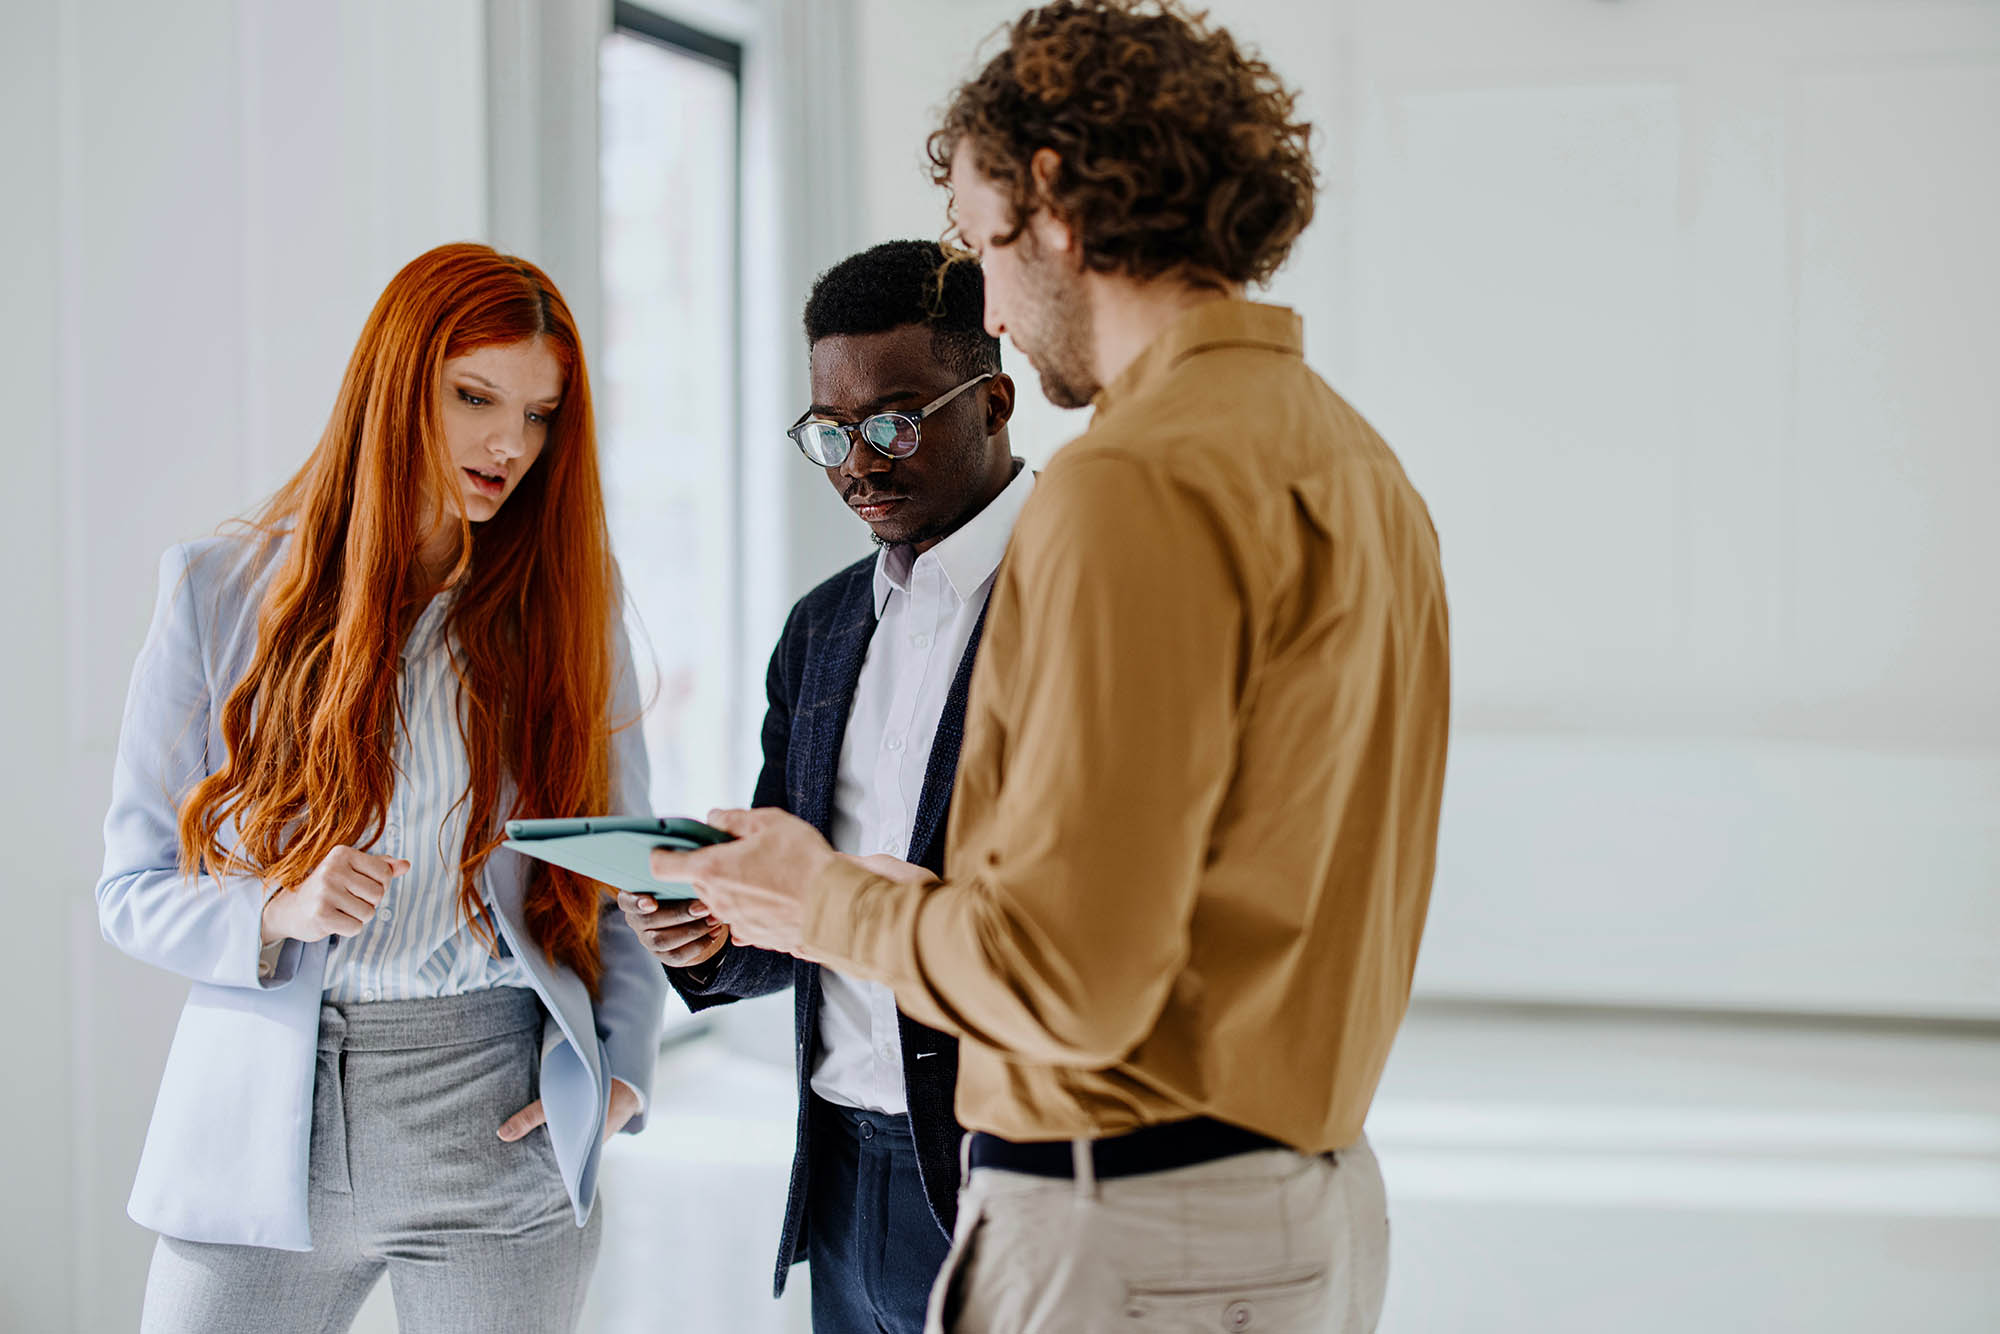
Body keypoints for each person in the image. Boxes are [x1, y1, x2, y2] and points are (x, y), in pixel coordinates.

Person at [649, 3, 1452, 1331]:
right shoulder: (1363, 469)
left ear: (1062, 209)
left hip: (1119, 1228)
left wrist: (820, 894)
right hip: (1306, 1214)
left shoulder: (1128, 482)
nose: (998, 308)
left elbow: (1072, 975)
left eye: (983, 242)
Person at [98, 242, 667, 1333]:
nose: (509, 443)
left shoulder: (565, 611)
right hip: (264, 1121)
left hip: (494, 1109)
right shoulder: (217, 597)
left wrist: (624, 1067)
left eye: (541, 415)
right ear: (395, 381)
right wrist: (275, 906)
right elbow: (129, 885)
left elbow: (617, 860)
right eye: (474, 397)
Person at [616, 239, 1031, 1334]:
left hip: (1006, 1165)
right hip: (840, 1161)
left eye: (892, 421)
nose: (858, 461)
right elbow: (796, 901)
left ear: (992, 401)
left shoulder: (1076, 601)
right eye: (829, 431)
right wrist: (707, 932)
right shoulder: (823, 625)